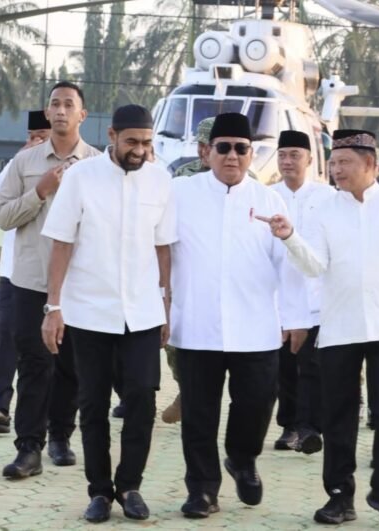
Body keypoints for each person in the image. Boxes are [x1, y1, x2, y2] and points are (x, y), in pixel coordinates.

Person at [261, 129, 379, 526]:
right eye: (334, 163)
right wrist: (290, 238)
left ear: (370, 164)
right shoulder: (324, 209)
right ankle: (339, 496)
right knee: (338, 414)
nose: (337, 170)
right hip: (339, 327)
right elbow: (315, 266)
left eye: (345, 163)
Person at [40, 104, 175, 523]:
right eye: (132, 141)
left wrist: (167, 302)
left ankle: (130, 486)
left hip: (142, 313)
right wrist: (53, 307)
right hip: (88, 312)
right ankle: (99, 492)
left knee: (141, 400)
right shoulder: (81, 177)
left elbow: (163, 247)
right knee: (93, 403)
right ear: (113, 135)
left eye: (147, 142)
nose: (140, 150)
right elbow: (61, 243)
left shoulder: (161, 179)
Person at [169, 113, 304, 519]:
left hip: (256, 328)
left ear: (251, 153)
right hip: (196, 325)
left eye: (241, 148)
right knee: (198, 414)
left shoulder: (269, 200)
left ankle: (242, 460)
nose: (231, 155)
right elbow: (157, 251)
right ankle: (202, 489)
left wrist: (296, 317)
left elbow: (288, 264)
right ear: (207, 152)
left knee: (257, 404)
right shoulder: (180, 193)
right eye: (223, 147)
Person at [0, 81, 100, 478]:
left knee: (71, 366)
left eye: (68, 104)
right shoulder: (24, 162)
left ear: (82, 115)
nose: (60, 110)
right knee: (34, 363)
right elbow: (3, 216)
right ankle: (29, 448)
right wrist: (39, 192)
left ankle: (60, 436)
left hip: (78, 284)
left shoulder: (96, 164)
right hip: (30, 280)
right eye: (54, 104)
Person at [0, 111, 51, 434]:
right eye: (33, 136)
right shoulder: (19, 166)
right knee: (7, 338)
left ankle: (52, 422)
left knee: (50, 348)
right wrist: (19, 158)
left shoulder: (71, 167)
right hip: (13, 269)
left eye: (42, 136)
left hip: (53, 270)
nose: (37, 142)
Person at [270, 130, 335, 453]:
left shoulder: (327, 197)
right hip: (278, 296)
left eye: (295, 155)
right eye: (282, 155)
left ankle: (310, 427)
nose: (287, 161)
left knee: (312, 366)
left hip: (315, 296)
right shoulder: (267, 196)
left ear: (310, 159)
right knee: (283, 367)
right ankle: (289, 426)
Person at [157, 116, 217, 426]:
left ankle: (202, 396)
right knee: (174, 342)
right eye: (204, 145)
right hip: (183, 272)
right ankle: (186, 391)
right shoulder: (182, 177)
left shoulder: (241, 179)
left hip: (219, 276)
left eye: (212, 145)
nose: (207, 151)